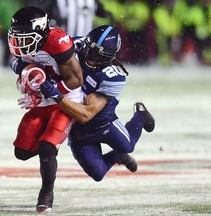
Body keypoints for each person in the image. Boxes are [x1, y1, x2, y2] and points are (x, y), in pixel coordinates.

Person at [40, 25, 155, 181]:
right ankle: (118, 156)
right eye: (90, 50)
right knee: (98, 173)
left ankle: (141, 114)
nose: (89, 57)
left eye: (97, 55)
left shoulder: (111, 77)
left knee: (128, 146)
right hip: (79, 132)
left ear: (109, 58)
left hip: (102, 123)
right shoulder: (73, 46)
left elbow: (85, 114)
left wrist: (57, 95)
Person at [7, 6, 83, 214]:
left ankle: (46, 195)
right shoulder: (24, 43)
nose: (18, 42)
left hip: (64, 100)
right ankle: (48, 151)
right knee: (21, 152)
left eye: (24, 37)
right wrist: (28, 72)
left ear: (41, 32)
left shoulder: (57, 43)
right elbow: (15, 62)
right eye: (16, 36)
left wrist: (51, 92)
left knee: (46, 148)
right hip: (42, 100)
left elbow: (76, 80)